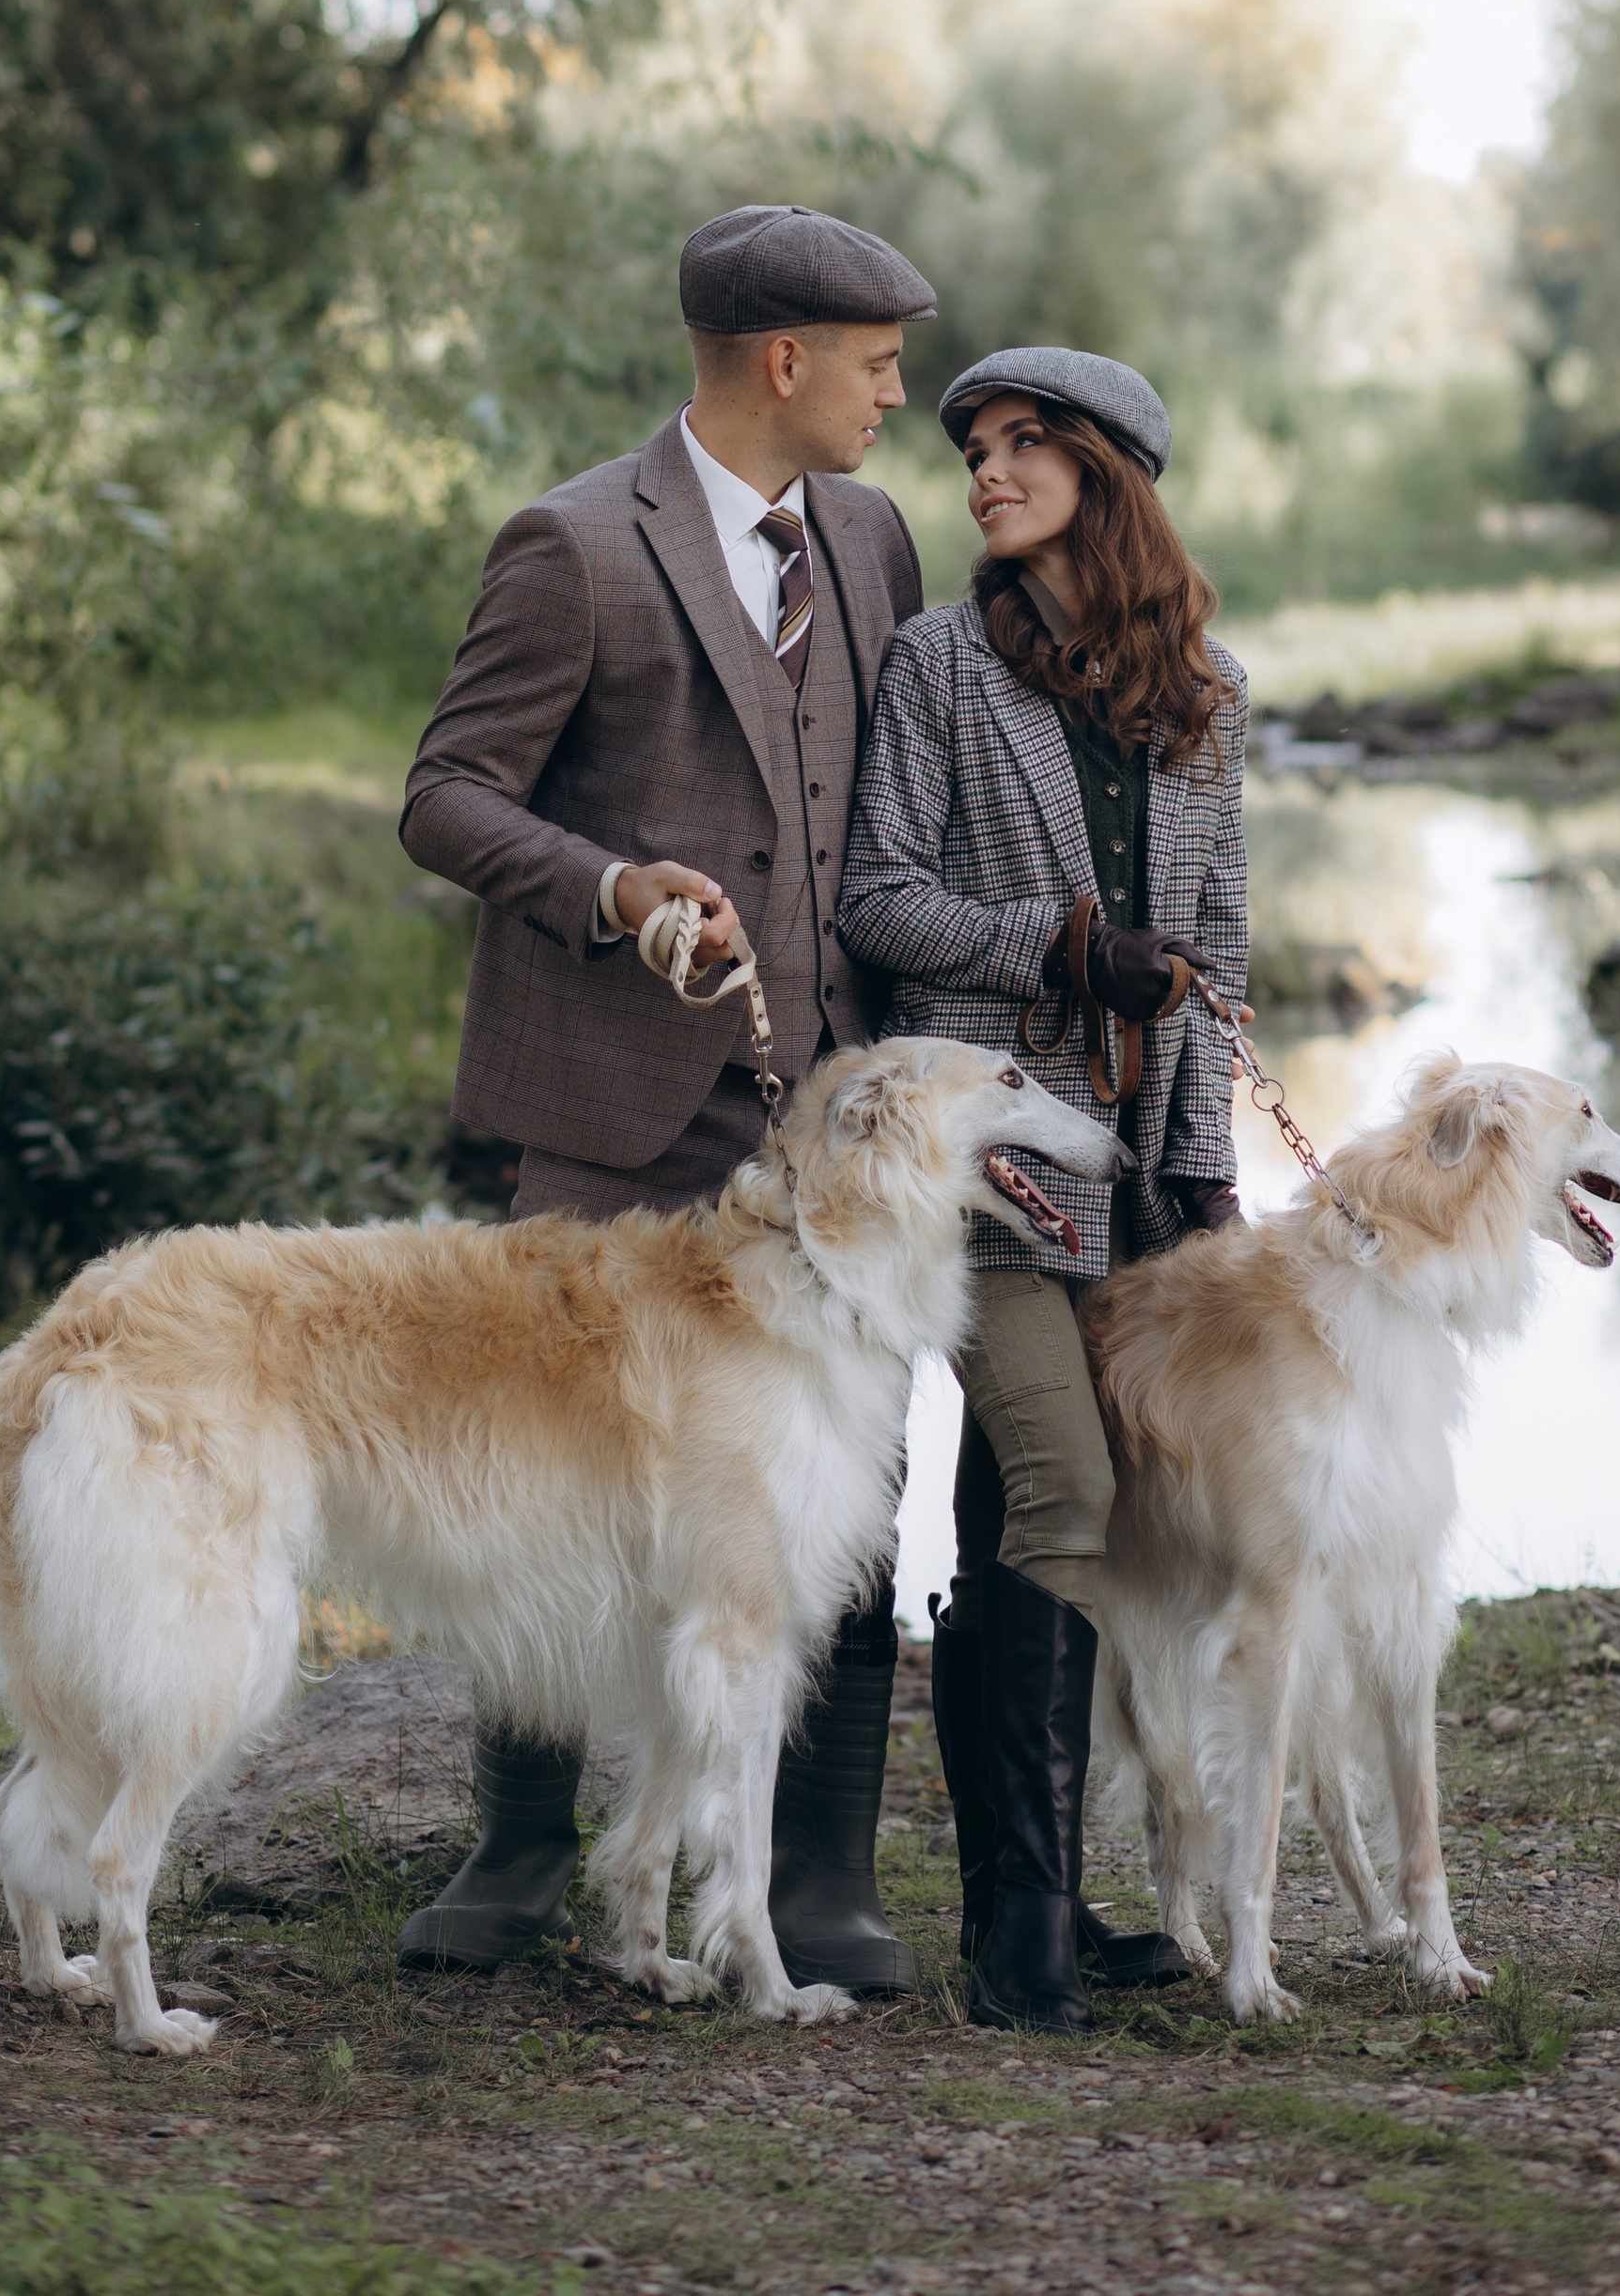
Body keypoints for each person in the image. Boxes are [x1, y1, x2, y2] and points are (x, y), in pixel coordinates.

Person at [396, 202, 937, 1992]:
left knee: (842, 1467)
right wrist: (616, 891)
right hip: (612, 1111)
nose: (895, 394)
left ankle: (817, 1874)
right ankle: (520, 1841)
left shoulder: (873, 539)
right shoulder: (571, 548)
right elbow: (448, 797)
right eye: (875, 364)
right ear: (782, 362)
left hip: (827, 1126)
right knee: (552, 1474)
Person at [836, 346, 1248, 2033]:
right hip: (991, 1166)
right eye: (974, 450)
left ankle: (1057, 1908)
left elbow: (1219, 951)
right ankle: (1021, 1935)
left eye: (1023, 447)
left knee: (1091, 1521)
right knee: (1057, 1488)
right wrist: (1061, 948)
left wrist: (1210, 1170)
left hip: (1144, 1182)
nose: (986, 473)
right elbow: (878, 896)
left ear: (1109, 473)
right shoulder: (940, 663)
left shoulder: (1212, 695)